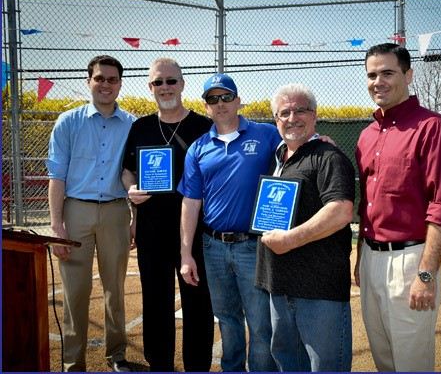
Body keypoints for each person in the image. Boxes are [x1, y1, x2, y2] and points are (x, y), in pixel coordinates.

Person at [354, 43, 441, 372]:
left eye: (388, 72)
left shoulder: (432, 127)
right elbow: (367, 208)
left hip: (411, 260)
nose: (378, 81)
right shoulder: (366, 135)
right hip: (371, 258)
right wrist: (361, 259)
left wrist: (426, 276)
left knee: (411, 362)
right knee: (383, 358)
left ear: (408, 74)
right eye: (372, 75)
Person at [178, 73, 279, 372]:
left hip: (253, 245)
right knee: (227, 319)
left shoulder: (266, 134)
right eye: (212, 99)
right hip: (213, 247)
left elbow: (298, 148)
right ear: (206, 106)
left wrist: (317, 140)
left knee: (261, 323)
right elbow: (191, 202)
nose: (220, 104)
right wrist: (185, 254)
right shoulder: (198, 148)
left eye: (225, 97)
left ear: (237, 100)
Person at [121, 58, 214, 372]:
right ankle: (159, 365)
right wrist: (131, 189)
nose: (165, 87)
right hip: (152, 228)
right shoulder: (141, 127)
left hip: (197, 230)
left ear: (183, 84)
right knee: (156, 301)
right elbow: (126, 171)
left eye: (171, 81)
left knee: (198, 301)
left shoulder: (204, 126)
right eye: (158, 82)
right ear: (150, 88)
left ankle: (197, 366)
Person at [255, 84, 356, 371]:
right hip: (279, 284)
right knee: (289, 363)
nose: (292, 118)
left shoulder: (328, 157)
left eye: (300, 110)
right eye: (284, 112)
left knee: (324, 366)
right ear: (275, 119)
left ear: (314, 115)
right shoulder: (278, 157)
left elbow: (340, 211)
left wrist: (289, 240)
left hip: (318, 288)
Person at [46, 55, 135, 372]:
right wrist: (57, 227)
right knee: (75, 291)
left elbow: (132, 175)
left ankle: (117, 355)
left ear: (120, 84)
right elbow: (56, 177)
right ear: (89, 82)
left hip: (115, 212)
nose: (106, 84)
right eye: (100, 78)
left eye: (112, 79)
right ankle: (73, 362)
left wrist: (134, 218)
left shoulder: (132, 124)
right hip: (77, 210)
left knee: (115, 288)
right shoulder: (68, 122)